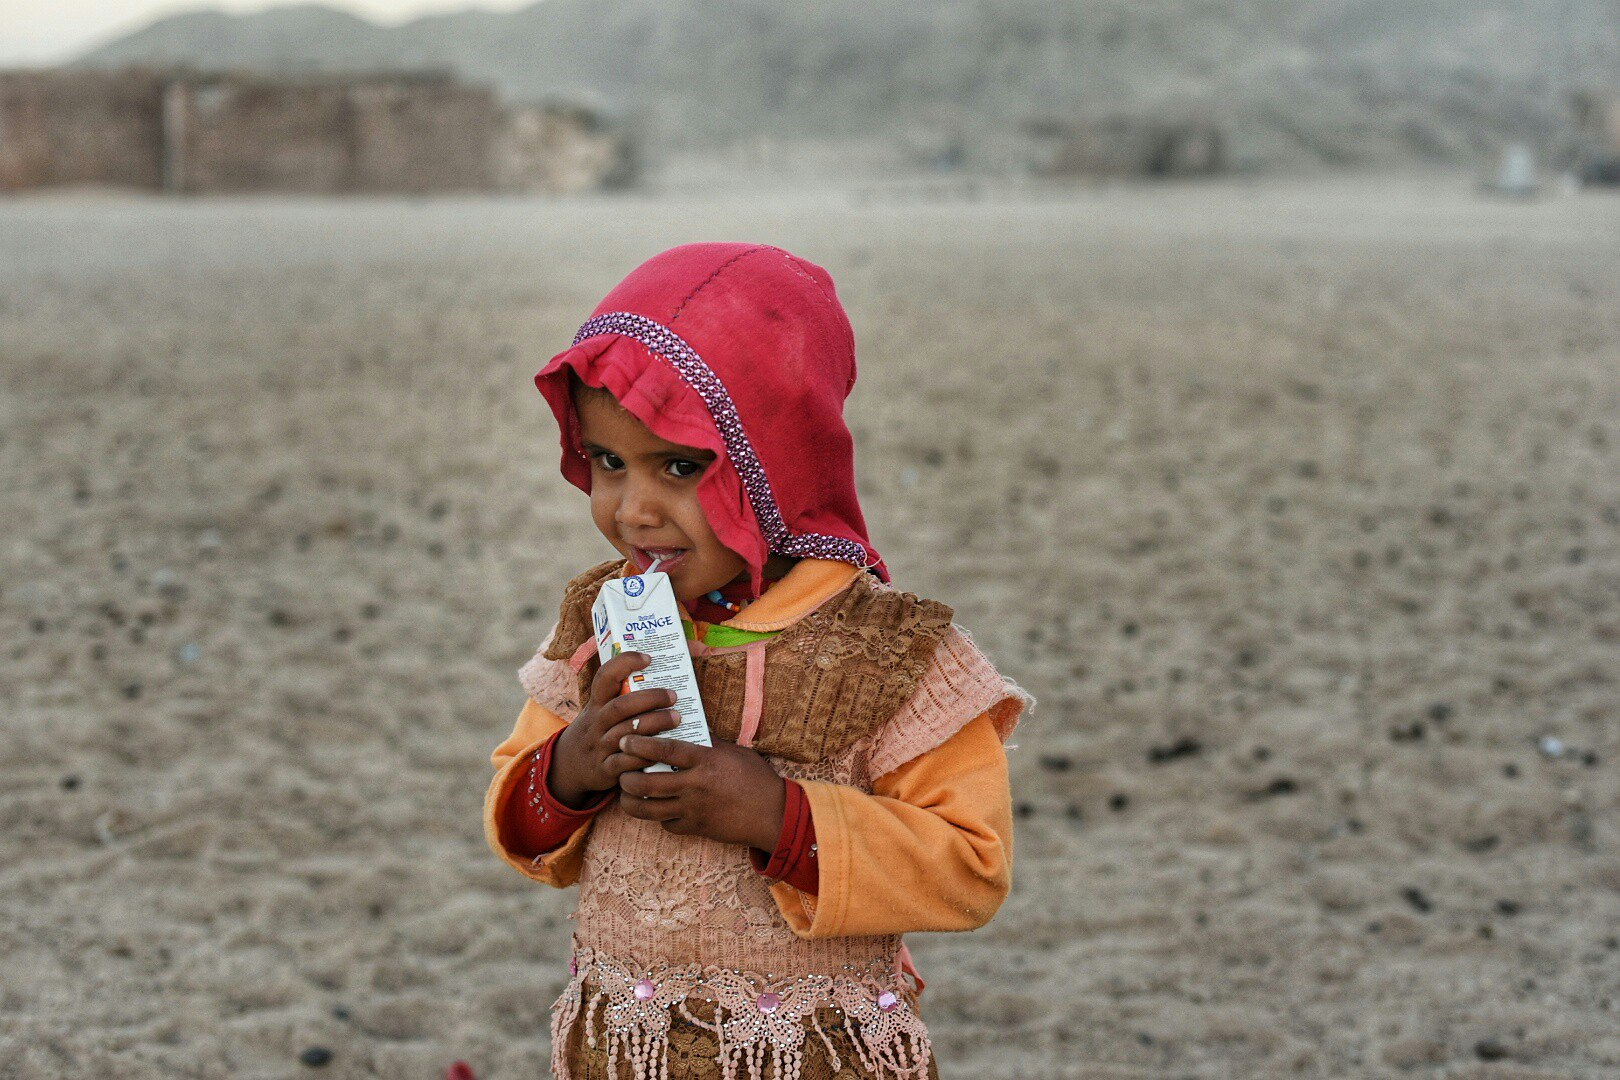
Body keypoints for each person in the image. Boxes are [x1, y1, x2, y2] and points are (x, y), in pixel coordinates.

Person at [483, 242, 1033, 1080]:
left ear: (775, 463)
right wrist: (567, 767)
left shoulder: (889, 654)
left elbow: (969, 865)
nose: (633, 509)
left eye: (679, 466)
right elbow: (519, 821)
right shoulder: (602, 626)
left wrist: (778, 815)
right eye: (606, 462)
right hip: (622, 1051)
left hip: (812, 1053)